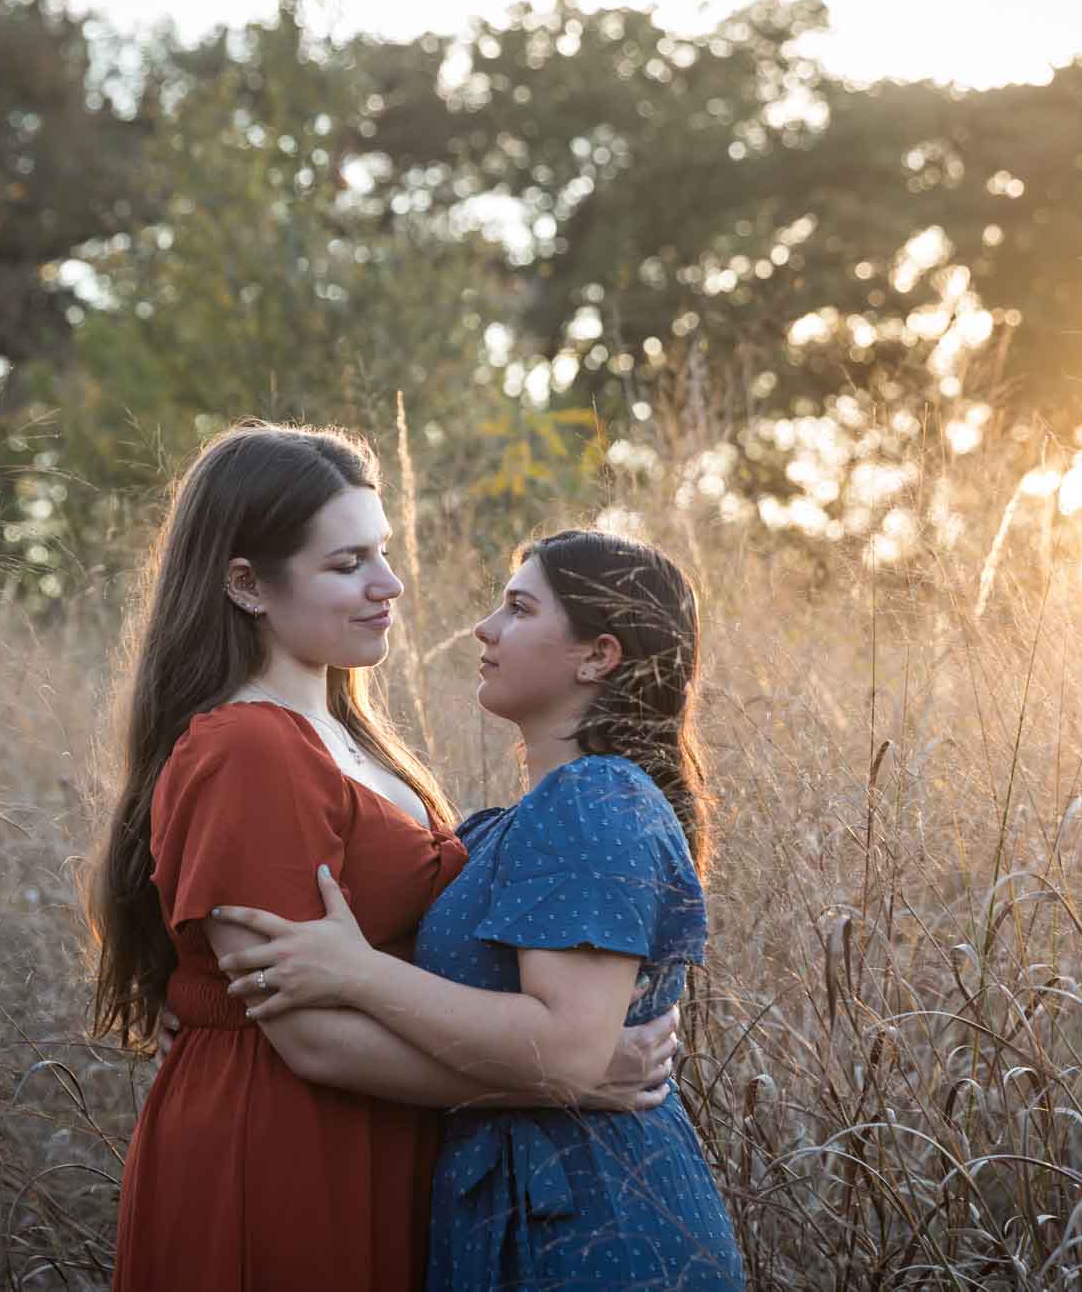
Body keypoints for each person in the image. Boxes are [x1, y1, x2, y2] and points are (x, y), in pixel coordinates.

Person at [86, 425, 676, 1292]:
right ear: (246, 583)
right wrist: (568, 1080)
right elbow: (314, 1041)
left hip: (384, 1130)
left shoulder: (358, 739)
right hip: (285, 1149)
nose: (388, 584)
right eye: (347, 562)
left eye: (384, 552)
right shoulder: (248, 747)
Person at [213, 529, 747, 1290]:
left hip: (596, 1227)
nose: (484, 629)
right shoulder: (517, 824)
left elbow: (565, 1048)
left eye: (519, 608)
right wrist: (199, 997)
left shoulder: (596, 800)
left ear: (597, 655)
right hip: (517, 1207)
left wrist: (358, 975)